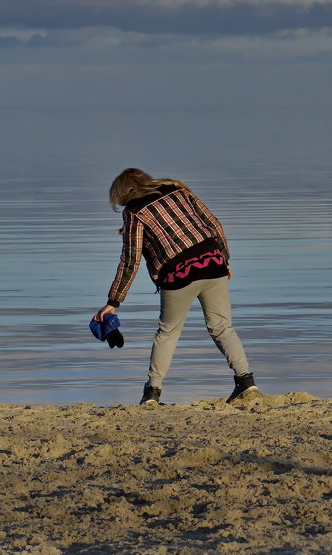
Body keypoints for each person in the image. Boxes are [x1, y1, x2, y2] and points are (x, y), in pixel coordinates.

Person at [92, 169, 259, 405]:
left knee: (168, 333)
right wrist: (224, 259)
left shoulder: (134, 212)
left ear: (122, 193)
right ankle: (246, 381)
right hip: (213, 260)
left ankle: (152, 393)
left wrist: (113, 302)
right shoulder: (178, 191)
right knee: (222, 327)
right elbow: (214, 223)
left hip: (177, 272)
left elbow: (131, 259)